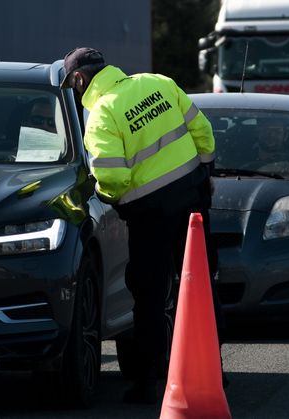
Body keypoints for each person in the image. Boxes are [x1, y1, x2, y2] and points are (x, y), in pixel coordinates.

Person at [60, 47, 226, 404]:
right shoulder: (158, 82)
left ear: (78, 79)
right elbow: (203, 131)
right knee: (202, 287)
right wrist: (205, 172)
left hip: (149, 216)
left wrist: (109, 198)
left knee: (149, 296)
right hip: (192, 202)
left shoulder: (102, 114)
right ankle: (216, 372)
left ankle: (149, 381)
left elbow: (112, 178)